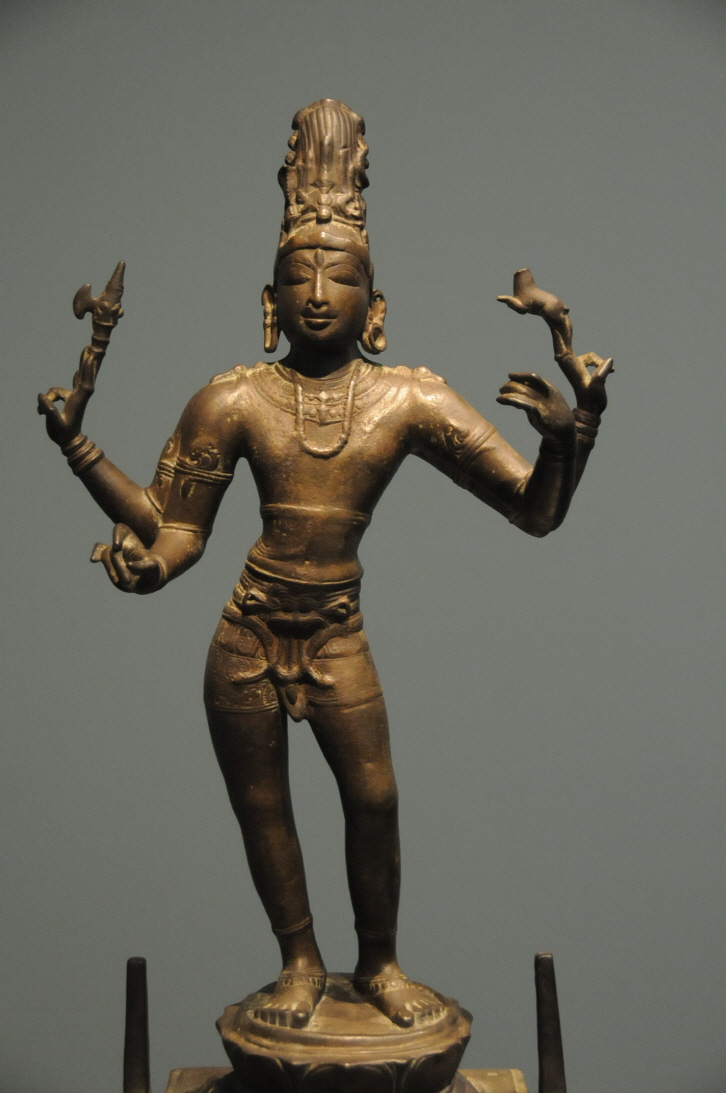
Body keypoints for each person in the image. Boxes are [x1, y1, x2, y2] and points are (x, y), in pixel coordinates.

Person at [38, 99, 612, 1032]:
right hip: (246, 634)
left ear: (375, 307)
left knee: (374, 799)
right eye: (296, 276)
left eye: (340, 275)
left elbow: (536, 512)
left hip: (335, 630)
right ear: (268, 303)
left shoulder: (409, 399)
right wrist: (86, 462)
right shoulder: (232, 399)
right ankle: (299, 961)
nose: (316, 291)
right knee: (263, 807)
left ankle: (379, 960)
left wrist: (570, 432)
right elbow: (172, 528)